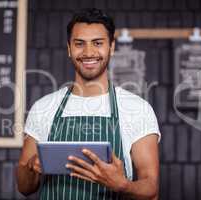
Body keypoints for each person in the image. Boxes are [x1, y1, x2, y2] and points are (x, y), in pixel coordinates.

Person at [17, 8, 161, 200]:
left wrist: (123, 184)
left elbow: (151, 188)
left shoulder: (137, 109)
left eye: (98, 43)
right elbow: (24, 187)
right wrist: (31, 167)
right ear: (69, 49)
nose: (89, 52)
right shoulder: (43, 107)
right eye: (79, 44)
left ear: (111, 47)